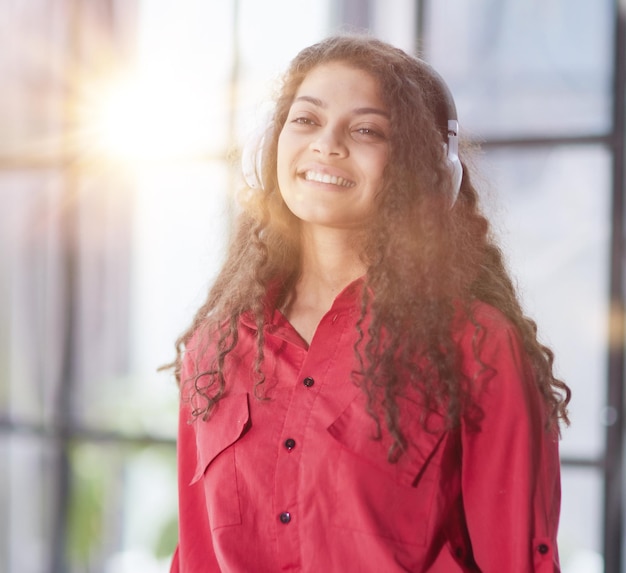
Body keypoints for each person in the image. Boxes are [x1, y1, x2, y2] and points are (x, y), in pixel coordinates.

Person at [167, 34, 571, 572]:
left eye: (365, 130)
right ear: (271, 144)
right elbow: (195, 557)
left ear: (420, 168)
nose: (326, 145)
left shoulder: (475, 347)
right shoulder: (215, 348)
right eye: (306, 120)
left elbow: (517, 561)